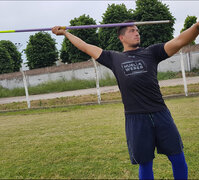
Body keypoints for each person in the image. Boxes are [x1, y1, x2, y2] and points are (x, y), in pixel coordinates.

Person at [52, 20, 199, 179]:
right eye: (131, 31)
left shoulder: (152, 52)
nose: (137, 33)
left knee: (177, 157)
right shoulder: (113, 58)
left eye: (137, 30)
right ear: (121, 37)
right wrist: (66, 33)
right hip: (136, 118)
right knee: (145, 162)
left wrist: (197, 26)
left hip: (161, 114)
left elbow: (179, 41)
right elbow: (86, 47)